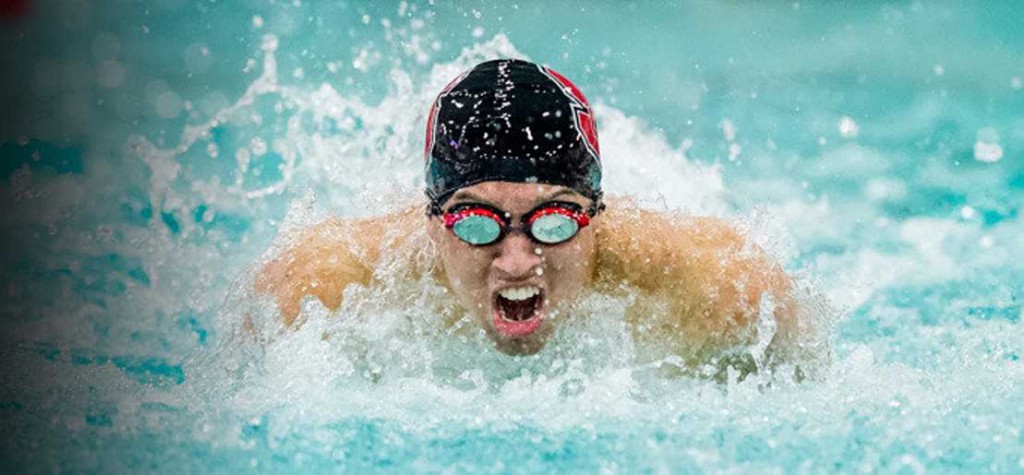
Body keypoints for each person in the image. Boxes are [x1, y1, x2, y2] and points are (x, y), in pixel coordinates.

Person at [254, 59, 825, 380]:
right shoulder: (319, 289)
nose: (517, 262)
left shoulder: (719, 289)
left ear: (596, 216)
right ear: (432, 223)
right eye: (476, 222)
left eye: (553, 221)